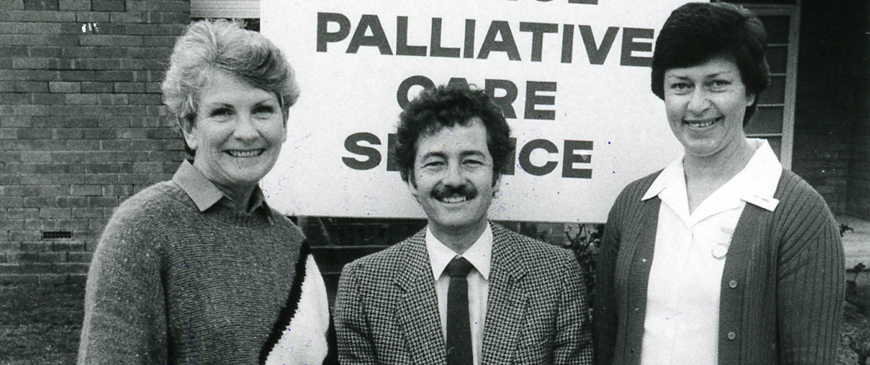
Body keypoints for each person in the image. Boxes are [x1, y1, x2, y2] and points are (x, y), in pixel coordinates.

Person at [593, 3, 845, 365]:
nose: (697, 105)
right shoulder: (634, 203)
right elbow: (606, 343)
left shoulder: (800, 215)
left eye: (717, 84)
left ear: (751, 91)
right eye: (681, 85)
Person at [78, 19, 335, 364]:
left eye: (262, 110)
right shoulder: (143, 229)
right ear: (189, 128)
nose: (246, 132)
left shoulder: (291, 242)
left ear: (285, 122)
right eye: (222, 112)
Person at [334, 84, 594, 365]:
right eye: (435, 163)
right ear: (411, 180)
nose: (454, 180)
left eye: (471, 161)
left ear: (496, 178)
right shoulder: (365, 285)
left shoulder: (556, 275)